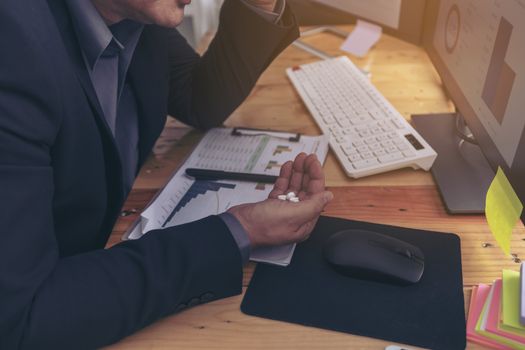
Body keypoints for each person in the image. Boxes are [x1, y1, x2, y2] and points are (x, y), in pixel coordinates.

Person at [0, 0, 333, 348]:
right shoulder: (12, 44)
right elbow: (25, 317)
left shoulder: (136, 17)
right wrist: (238, 230)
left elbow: (199, 98)